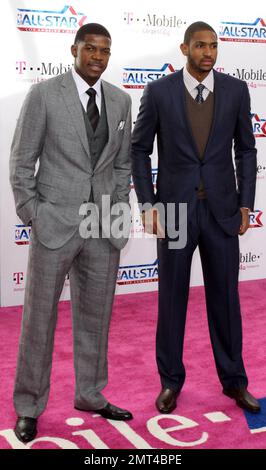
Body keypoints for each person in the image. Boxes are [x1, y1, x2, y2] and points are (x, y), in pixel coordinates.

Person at [10, 23, 133, 443]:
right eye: (90, 49)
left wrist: (117, 206)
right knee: (38, 321)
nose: (98, 57)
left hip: (103, 227)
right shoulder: (45, 94)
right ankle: (28, 406)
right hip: (54, 224)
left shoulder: (120, 100)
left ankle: (90, 394)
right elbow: (21, 161)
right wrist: (34, 213)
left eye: (105, 50)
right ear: (74, 49)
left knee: (96, 319)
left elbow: (121, 164)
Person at [131, 21, 260, 414]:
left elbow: (247, 150)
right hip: (173, 211)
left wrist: (245, 204)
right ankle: (171, 381)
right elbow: (139, 150)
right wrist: (149, 204)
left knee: (226, 300)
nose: (208, 52)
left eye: (214, 46)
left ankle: (234, 382)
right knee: (171, 300)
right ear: (184, 48)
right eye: (200, 45)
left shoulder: (236, 90)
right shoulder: (158, 92)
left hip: (222, 212)